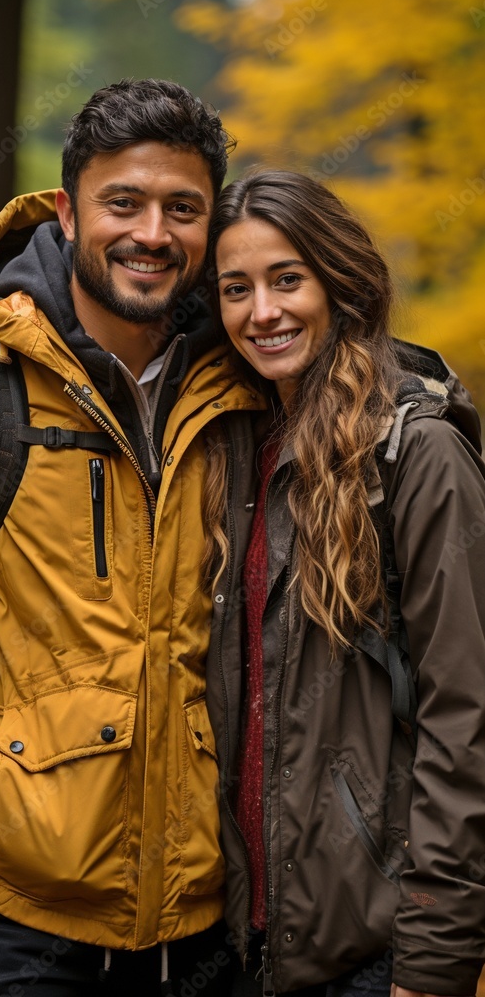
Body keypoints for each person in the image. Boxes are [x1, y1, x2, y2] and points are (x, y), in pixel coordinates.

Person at [0, 79, 263, 996]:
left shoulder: (244, 393)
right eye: (124, 202)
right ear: (69, 214)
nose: (152, 233)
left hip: (205, 928)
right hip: (9, 921)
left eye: (181, 209)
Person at [203, 169, 485, 997]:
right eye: (235, 289)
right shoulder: (236, 452)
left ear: (340, 282)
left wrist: (434, 960)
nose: (263, 312)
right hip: (241, 942)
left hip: (376, 951)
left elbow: (465, 722)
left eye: (287, 279)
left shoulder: (416, 454)